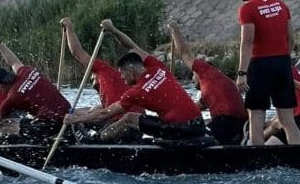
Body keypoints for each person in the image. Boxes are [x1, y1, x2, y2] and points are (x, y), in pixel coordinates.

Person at [64, 21, 204, 142]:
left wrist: (76, 119)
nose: (122, 78)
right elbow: (132, 47)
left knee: (130, 118)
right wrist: (113, 30)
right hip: (199, 124)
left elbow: (104, 114)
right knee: (133, 116)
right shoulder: (158, 67)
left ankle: (96, 141)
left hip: (181, 129)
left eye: (123, 74)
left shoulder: (137, 92)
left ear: (130, 71)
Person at [231, 0, 300, 146]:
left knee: (256, 115)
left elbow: (247, 42)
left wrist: (242, 73)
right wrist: (283, 59)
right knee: (287, 119)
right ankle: (298, 156)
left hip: (260, 65)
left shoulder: (247, 8)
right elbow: (291, 39)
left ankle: (259, 158)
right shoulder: (281, 5)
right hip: (282, 63)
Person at [0, 38, 70, 141]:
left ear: (0, 86)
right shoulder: (26, 71)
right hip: (67, 112)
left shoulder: (13, 96)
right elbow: (13, 62)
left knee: (6, 124)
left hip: (52, 124)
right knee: (27, 120)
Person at [167, 23, 246, 145]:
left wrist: (174, 31)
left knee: (191, 135)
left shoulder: (205, 71)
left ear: (198, 72)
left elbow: (184, 53)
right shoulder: (212, 88)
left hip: (226, 121)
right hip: (237, 125)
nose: (192, 79)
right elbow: (191, 110)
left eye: (192, 75)